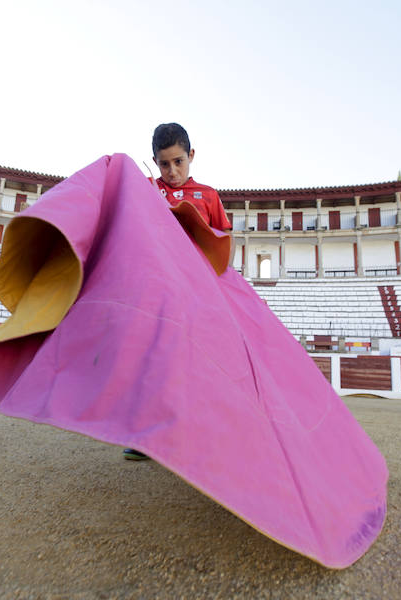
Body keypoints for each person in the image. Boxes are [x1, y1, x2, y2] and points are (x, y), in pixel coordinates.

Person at [122, 123, 234, 461]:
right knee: (152, 361)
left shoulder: (209, 196)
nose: (172, 172)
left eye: (179, 162)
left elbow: (222, 243)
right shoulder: (146, 189)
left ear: (192, 156)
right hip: (155, 290)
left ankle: (192, 435)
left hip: (195, 293)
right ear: (154, 162)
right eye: (164, 164)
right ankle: (146, 437)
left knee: (192, 362)